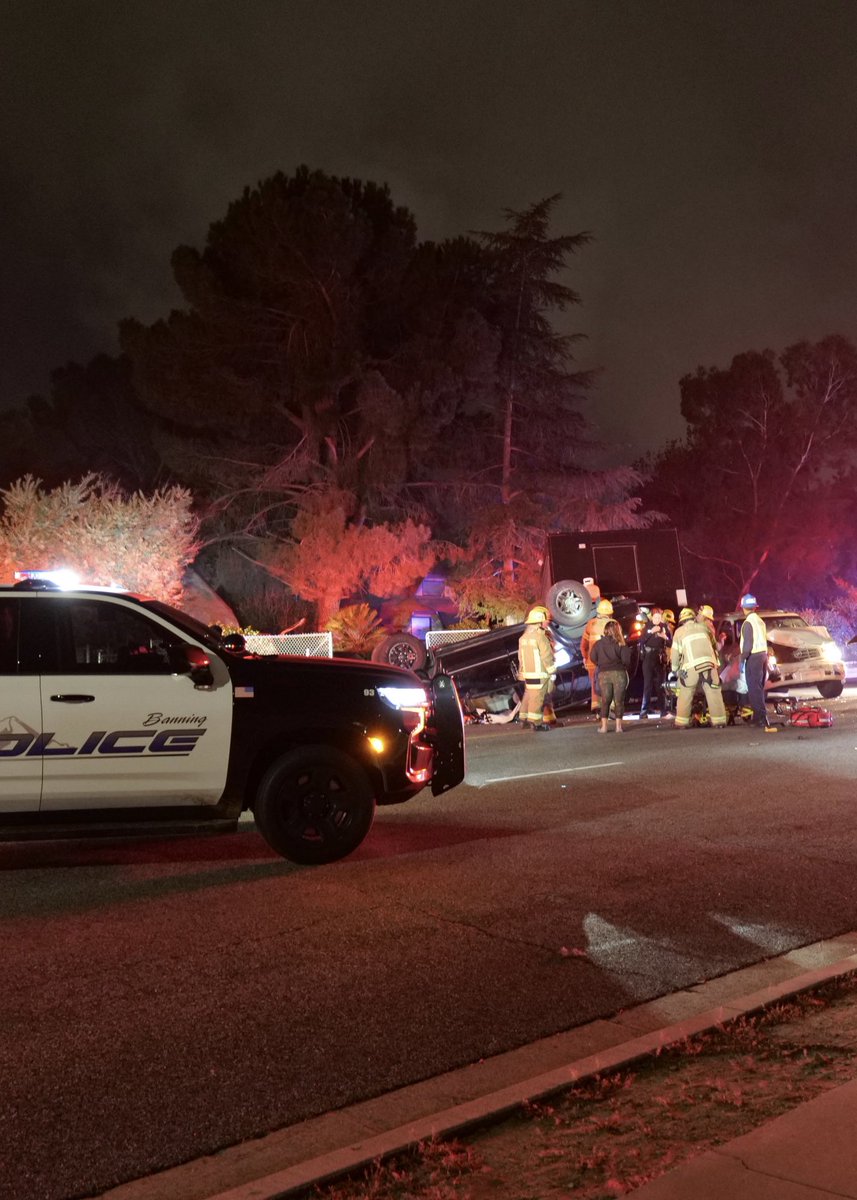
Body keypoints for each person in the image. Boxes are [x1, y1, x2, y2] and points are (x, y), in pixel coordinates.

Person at [670, 607, 727, 729]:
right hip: (710, 665)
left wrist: (675, 670)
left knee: (685, 692)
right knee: (714, 692)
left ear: (682, 620)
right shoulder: (704, 628)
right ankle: (719, 722)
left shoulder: (679, 632)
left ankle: (681, 723)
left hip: (691, 668)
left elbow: (675, 655)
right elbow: (715, 647)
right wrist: (721, 641)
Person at [739, 593, 776, 731]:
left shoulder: (748, 622)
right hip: (762, 656)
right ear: (754, 607)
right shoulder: (759, 621)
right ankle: (760, 717)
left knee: (754, 689)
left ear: (743, 607)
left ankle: (760, 719)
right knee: (759, 689)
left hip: (753, 657)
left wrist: (742, 659)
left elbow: (748, 644)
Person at [517, 606, 556, 731]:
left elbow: (520, 657)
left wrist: (522, 672)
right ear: (539, 622)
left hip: (529, 674)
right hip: (540, 674)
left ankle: (523, 719)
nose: (546, 623)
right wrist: (552, 671)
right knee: (537, 699)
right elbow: (547, 656)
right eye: (545, 620)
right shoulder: (540, 637)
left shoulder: (523, 638)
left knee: (529, 696)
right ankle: (536, 723)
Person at [591, 619, 633, 733]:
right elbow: (627, 660)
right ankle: (618, 727)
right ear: (617, 630)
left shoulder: (598, 644)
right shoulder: (621, 643)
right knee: (619, 701)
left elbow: (592, 657)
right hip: (619, 674)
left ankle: (604, 727)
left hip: (604, 674)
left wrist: (601, 664)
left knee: (605, 701)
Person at [580, 598, 614, 716]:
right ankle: (608, 711)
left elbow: (583, 646)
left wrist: (585, 657)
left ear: (598, 612)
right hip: (608, 662)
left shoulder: (591, 624)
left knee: (595, 685)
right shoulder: (613, 624)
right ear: (610, 613)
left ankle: (597, 709)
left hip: (592, 663)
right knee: (609, 684)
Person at [638, 607, 670, 719]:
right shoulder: (646, 626)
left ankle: (663, 710)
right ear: (652, 617)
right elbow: (641, 640)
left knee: (660, 685)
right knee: (647, 685)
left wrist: (664, 636)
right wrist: (651, 632)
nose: (657, 619)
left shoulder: (664, 627)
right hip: (648, 657)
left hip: (659, 657)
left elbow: (671, 642)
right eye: (655, 617)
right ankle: (643, 712)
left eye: (659, 617)